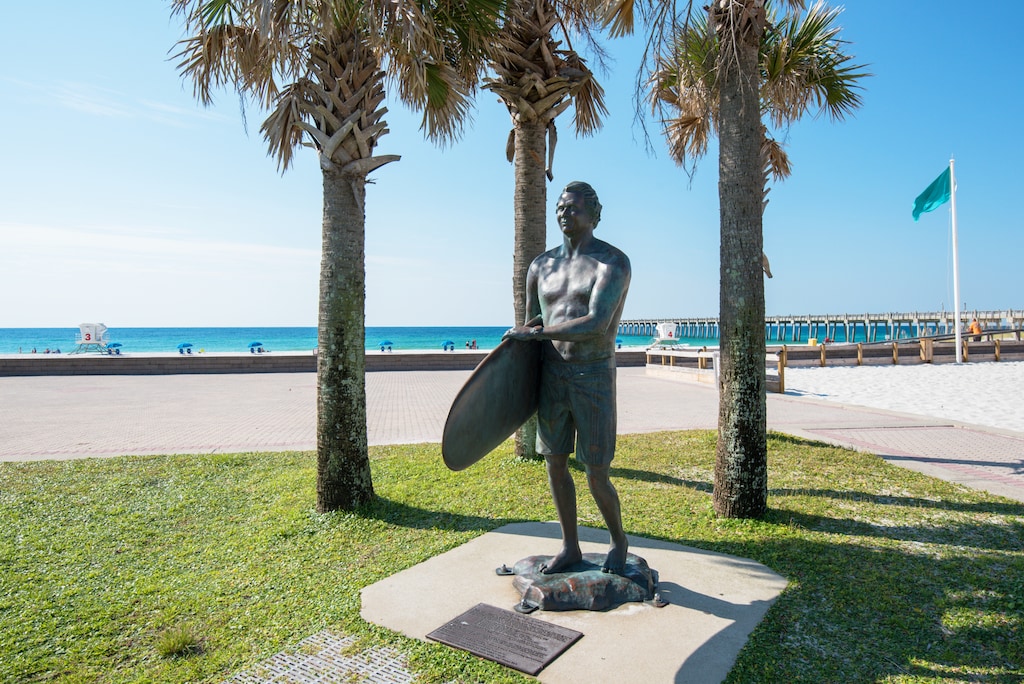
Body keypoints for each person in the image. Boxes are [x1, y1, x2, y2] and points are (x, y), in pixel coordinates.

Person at [504, 181, 632, 575]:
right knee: (554, 465)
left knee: (596, 472)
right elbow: (531, 322)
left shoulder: (612, 262)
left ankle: (618, 540)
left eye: (574, 207)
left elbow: (596, 323)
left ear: (594, 215)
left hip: (593, 375)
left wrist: (537, 333)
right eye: (560, 206)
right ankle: (570, 547)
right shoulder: (540, 266)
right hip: (552, 377)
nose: (564, 212)